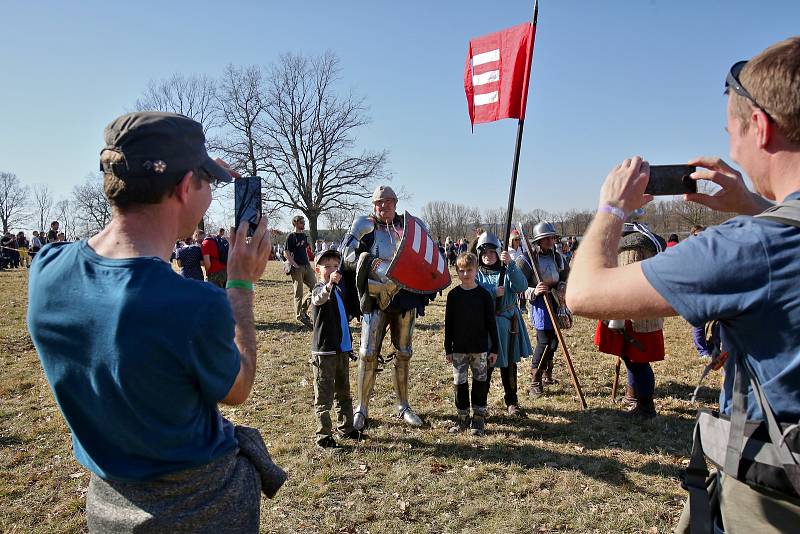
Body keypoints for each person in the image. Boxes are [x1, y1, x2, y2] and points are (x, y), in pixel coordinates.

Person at [566, 37, 800, 533]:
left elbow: (584, 292)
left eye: (730, 132)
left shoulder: (743, 249)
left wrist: (611, 208)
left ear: (759, 127)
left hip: (775, 502)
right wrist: (753, 205)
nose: (732, 146)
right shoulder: (764, 234)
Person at [27, 111, 284, 532]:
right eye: (210, 182)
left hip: (108, 505)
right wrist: (239, 284)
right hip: (201, 509)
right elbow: (238, 388)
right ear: (185, 188)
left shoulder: (47, 269)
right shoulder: (191, 304)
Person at [341, 185, 438, 430]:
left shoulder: (409, 227)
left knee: (404, 351)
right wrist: (369, 262)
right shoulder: (365, 225)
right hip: (375, 296)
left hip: (404, 296)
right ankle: (362, 409)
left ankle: (403, 405)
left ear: (395, 203)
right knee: (367, 352)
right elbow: (346, 255)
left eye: (387, 202)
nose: (383, 206)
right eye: (379, 203)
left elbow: (427, 254)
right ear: (374, 205)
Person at [593, 223, 666, 419]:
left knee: (638, 362)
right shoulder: (652, 241)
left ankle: (646, 408)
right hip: (645, 311)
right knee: (633, 359)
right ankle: (636, 399)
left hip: (633, 314)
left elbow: (624, 284)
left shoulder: (631, 246)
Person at [476, 232, 532, 416]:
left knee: (509, 365)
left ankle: (512, 401)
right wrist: (493, 292)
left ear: (498, 253)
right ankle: (481, 404)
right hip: (487, 326)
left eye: (492, 252)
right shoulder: (477, 275)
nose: (487, 255)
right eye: (484, 252)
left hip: (509, 325)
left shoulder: (507, 270)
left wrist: (511, 265)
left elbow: (522, 286)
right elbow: (473, 293)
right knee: (485, 366)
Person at [308, 248, 359, 448]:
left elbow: (342, 321)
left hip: (341, 351)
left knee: (343, 392)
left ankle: (346, 428)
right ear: (317, 269)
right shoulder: (319, 289)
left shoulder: (339, 291)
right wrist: (329, 284)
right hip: (324, 353)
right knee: (324, 396)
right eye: (327, 266)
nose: (332, 269)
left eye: (335, 266)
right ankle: (324, 436)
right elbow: (319, 298)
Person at [445, 252, 499, 436]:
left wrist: (495, 348)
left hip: (480, 349)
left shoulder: (483, 295)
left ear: (476, 270)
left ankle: (478, 418)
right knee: (459, 384)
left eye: (469, 270)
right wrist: (448, 348)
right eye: (461, 270)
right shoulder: (453, 296)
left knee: (480, 382)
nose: (466, 274)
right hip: (459, 349)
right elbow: (449, 324)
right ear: (457, 271)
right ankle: (462, 417)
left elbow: (492, 324)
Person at [517, 222, 570, 397]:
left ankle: (548, 374)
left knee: (554, 341)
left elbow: (564, 277)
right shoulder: (527, 259)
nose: (549, 241)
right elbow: (517, 287)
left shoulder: (558, 257)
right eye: (545, 238)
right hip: (540, 303)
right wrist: (534, 290)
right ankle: (535, 380)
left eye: (551, 238)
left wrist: (562, 286)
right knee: (544, 341)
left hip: (555, 300)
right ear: (538, 240)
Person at [286, 214, 315, 327]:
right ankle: (299, 315)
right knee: (298, 292)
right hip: (296, 268)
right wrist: (293, 264)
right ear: (296, 223)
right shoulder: (291, 236)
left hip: (306, 266)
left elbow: (305, 251)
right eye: (302, 222)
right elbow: (286, 252)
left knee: (315, 288)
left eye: (304, 222)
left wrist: (309, 263)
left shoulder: (304, 236)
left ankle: (303, 309)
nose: (304, 224)